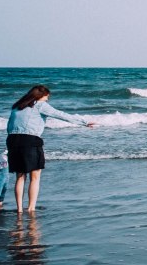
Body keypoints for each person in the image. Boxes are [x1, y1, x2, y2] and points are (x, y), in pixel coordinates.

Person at [6, 85, 94, 213]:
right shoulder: (40, 104)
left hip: (12, 141)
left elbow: (9, 125)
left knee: (20, 176)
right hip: (30, 140)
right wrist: (84, 122)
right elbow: (60, 115)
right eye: (47, 97)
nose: (47, 99)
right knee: (35, 176)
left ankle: (19, 209)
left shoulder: (17, 105)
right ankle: (31, 208)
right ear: (42, 95)